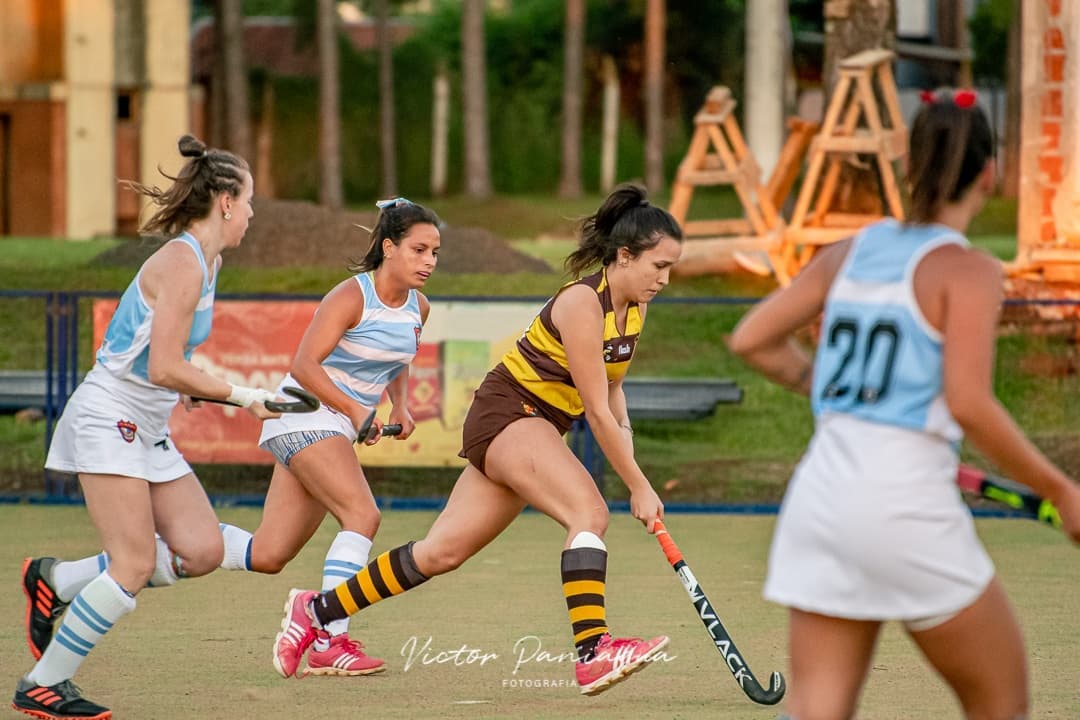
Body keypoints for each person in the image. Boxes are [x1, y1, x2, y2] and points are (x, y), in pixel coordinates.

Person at [728, 89, 1080, 720]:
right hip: (905, 505)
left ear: (908, 166)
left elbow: (751, 339)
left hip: (820, 500)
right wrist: (1061, 490)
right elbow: (969, 403)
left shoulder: (849, 250)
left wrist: (840, 393)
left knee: (815, 710)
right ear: (990, 173)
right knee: (1001, 704)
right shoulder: (970, 270)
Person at [270, 182, 681, 695]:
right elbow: (595, 412)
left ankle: (316, 610)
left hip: (534, 427)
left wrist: (631, 451)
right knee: (589, 514)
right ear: (624, 255)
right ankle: (593, 650)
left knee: (440, 553)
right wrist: (638, 485)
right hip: (511, 414)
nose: (664, 279)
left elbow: (613, 391)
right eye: (658, 266)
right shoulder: (582, 302)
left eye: (670, 268)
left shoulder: (634, 309)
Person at [14, 135, 280, 720]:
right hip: (109, 416)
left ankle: (56, 580)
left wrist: (187, 384)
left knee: (203, 550)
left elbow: (164, 356)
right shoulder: (182, 263)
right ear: (226, 202)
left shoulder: (209, 262)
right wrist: (244, 396)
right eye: (250, 201)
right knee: (132, 563)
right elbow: (161, 365)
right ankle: (43, 684)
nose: (253, 214)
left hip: (145, 422)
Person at [215, 198, 441, 678]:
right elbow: (304, 366)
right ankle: (328, 639)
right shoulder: (351, 296)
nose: (429, 262)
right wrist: (357, 410)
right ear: (389, 248)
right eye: (419, 250)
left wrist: (400, 405)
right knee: (363, 515)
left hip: (333, 425)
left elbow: (399, 359)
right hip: (303, 414)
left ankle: (175, 539)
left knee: (268, 554)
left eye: (435, 253)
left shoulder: (419, 306)